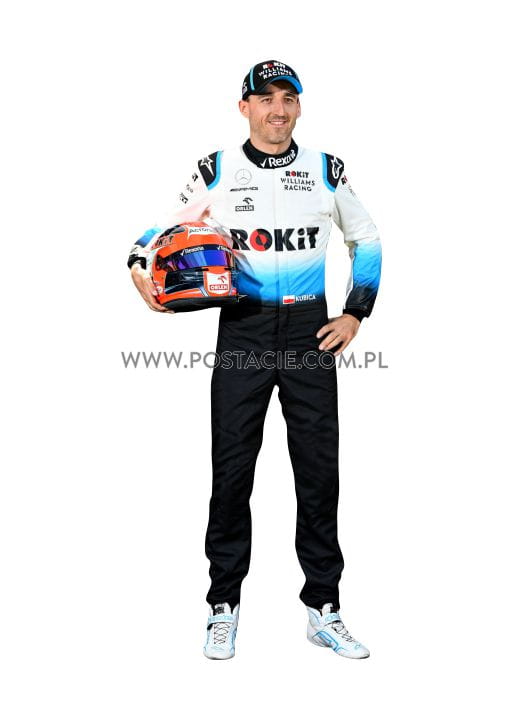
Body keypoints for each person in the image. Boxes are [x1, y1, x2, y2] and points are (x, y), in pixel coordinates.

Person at [127, 60, 382, 660]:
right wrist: (139, 267)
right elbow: (163, 230)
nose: (278, 110)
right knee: (232, 471)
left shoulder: (326, 169)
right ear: (244, 106)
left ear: (299, 106)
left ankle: (323, 608)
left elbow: (366, 238)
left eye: (287, 98)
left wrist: (356, 312)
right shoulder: (215, 169)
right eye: (265, 99)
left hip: (311, 334)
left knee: (318, 473)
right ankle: (223, 605)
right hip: (241, 332)